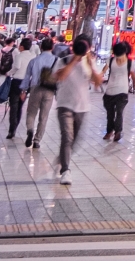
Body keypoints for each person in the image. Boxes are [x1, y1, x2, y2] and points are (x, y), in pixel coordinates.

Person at [51, 36, 103, 186]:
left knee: (75, 140)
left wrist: (90, 64)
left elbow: (98, 82)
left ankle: (62, 158)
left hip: (82, 107)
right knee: (67, 137)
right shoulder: (64, 61)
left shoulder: (89, 63)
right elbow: (60, 77)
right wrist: (75, 60)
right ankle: (65, 170)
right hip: (64, 105)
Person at [22, 37, 59, 150]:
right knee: (44, 116)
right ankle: (37, 140)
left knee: (31, 113)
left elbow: (27, 77)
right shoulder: (57, 60)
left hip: (35, 88)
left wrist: (23, 90)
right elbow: (60, 78)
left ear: (41, 47)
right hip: (49, 90)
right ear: (52, 47)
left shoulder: (34, 60)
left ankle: (30, 130)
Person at [102, 40, 133, 141]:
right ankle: (110, 131)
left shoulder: (130, 63)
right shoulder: (110, 60)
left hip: (122, 92)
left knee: (119, 112)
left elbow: (134, 76)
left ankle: (117, 132)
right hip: (109, 92)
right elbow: (103, 71)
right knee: (110, 114)